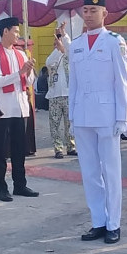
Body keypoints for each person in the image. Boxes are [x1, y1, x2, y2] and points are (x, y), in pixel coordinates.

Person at [69, 0, 127, 244]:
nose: (89, 14)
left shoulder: (115, 42)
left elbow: (122, 82)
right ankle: (98, 221)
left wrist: (122, 117)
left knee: (111, 171)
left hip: (107, 114)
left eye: (94, 10)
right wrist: (72, 117)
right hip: (82, 114)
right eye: (86, 10)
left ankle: (113, 223)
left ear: (105, 13)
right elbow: (73, 84)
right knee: (90, 171)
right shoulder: (76, 44)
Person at [0, 17, 38, 201]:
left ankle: (20, 185)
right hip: (3, 109)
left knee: (19, 150)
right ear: (5, 31)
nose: (18, 35)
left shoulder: (21, 54)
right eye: (15, 31)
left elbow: (29, 82)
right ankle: (1, 188)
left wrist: (29, 71)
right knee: (0, 152)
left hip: (20, 107)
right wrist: (20, 72)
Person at [45, 22, 76, 159]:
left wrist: (64, 35)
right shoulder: (53, 57)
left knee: (70, 123)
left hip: (69, 95)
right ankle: (58, 148)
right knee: (55, 124)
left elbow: (70, 49)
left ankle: (71, 146)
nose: (58, 42)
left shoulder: (70, 57)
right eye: (57, 40)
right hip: (55, 96)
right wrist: (59, 50)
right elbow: (49, 63)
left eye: (60, 39)